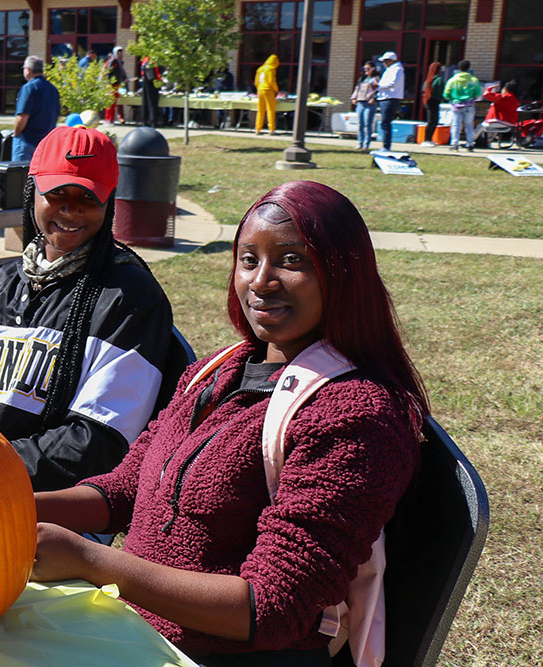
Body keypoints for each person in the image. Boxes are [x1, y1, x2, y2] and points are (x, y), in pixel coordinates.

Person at [30, 179, 428, 665]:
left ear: (343, 273)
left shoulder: (357, 414)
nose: (260, 281)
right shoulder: (217, 371)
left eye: (292, 260)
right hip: (134, 633)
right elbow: (125, 490)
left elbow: (273, 608)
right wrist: (9, 507)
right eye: (248, 259)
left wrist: (91, 560)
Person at [0, 126, 184, 491]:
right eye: (57, 193)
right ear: (31, 191)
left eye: (88, 197)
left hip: (48, 507)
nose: (71, 209)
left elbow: (98, 442)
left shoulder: (129, 300)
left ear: (109, 202)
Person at [13, 56, 60, 161]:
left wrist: (16, 134)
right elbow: (57, 117)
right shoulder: (53, 89)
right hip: (46, 142)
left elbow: (23, 116)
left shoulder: (28, 88)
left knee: (20, 175)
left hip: (27, 141)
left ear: (28, 70)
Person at [443, 60, 481, 152]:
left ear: (459, 68)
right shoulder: (474, 80)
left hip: (456, 105)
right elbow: (479, 93)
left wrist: (451, 100)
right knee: (469, 125)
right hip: (470, 106)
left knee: (456, 125)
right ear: (469, 68)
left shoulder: (452, 80)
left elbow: (446, 94)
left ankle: (454, 144)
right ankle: (470, 144)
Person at [376, 51, 405, 151]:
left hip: (390, 98)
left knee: (386, 123)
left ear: (391, 60)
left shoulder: (396, 69)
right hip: (385, 97)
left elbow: (392, 83)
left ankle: (386, 146)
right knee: (385, 123)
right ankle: (385, 145)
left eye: (385, 60)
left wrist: (378, 85)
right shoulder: (390, 69)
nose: (384, 63)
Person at [350, 61, 378, 150]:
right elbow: (357, 89)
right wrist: (354, 98)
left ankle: (366, 145)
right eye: (365, 68)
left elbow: (378, 90)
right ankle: (360, 143)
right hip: (360, 103)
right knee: (360, 124)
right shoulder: (362, 78)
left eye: (368, 68)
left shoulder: (376, 79)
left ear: (373, 69)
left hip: (369, 103)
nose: (366, 70)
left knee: (367, 124)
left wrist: (374, 98)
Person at [421, 62, 445, 146]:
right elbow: (441, 91)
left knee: (430, 120)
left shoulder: (428, 80)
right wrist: (443, 98)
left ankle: (428, 139)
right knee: (433, 121)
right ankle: (427, 139)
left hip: (427, 101)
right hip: (434, 101)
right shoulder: (438, 79)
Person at [254, 55, 279, 135]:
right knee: (270, 110)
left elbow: (256, 82)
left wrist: (259, 88)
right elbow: (271, 81)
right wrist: (276, 89)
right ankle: (271, 129)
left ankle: (258, 129)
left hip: (260, 90)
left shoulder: (260, 68)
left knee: (260, 111)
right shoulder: (271, 69)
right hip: (268, 90)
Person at [103, 53, 127, 125]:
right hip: (112, 85)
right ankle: (108, 120)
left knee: (112, 103)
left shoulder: (118, 62)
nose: (121, 54)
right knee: (111, 103)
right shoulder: (113, 62)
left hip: (114, 84)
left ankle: (110, 120)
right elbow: (108, 74)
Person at [140, 56, 162, 129]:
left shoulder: (145, 59)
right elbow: (156, 71)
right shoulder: (154, 59)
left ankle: (145, 120)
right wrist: (159, 80)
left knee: (145, 101)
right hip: (153, 82)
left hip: (145, 82)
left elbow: (142, 72)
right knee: (153, 102)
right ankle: (153, 120)